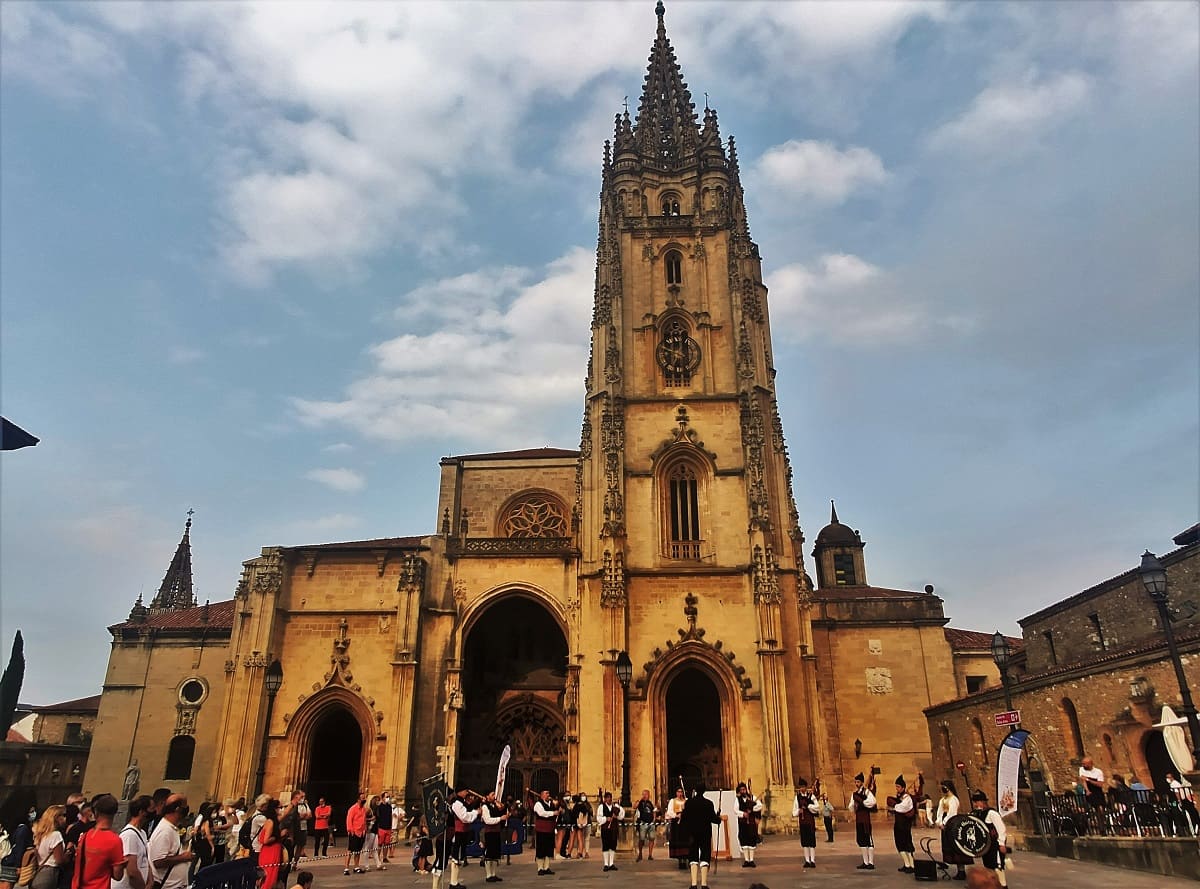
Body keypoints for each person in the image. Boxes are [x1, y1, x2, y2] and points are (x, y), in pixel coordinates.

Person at [72, 796, 125, 889]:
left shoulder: (85, 836)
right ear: (114, 813)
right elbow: (118, 876)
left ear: (96, 813)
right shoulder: (114, 840)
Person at [680, 781, 721, 889]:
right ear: (704, 791)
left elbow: (683, 818)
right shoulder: (708, 803)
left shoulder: (689, 803)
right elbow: (714, 819)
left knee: (693, 856)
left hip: (692, 833)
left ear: (695, 790)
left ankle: (693, 884)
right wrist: (718, 818)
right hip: (705, 833)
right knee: (705, 855)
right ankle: (704, 884)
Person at [147, 795, 192, 889]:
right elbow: (158, 861)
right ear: (178, 809)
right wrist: (183, 857)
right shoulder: (165, 830)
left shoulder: (171, 828)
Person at [968, 790, 1007, 888]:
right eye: (975, 802)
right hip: (986, 846)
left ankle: (1002, 885)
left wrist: (1002, 843)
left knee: (997, 867)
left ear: (983, 801)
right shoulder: (977, 813)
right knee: (988, 866)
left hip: (995, 845)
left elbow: (1001, 828)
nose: (976, 804)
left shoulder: (992, 813)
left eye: (977, 802)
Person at [113, 795, 153, 889]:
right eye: (151, 809)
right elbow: (131, 870)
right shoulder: (129, 835)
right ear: (142, 812)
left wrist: (150, 880)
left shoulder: (142, 833)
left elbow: (145, 860)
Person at [935, 780, 969, 880]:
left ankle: (961, 870)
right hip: (945, 825)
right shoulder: (943, 800)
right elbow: (940, 812)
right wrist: (939, 822)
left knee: (956, 847)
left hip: (953, 823)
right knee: (949, 847)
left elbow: (952, 813)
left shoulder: (953, 799)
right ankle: (957, 869)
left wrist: (945, 822)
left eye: (944, 787)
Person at [448, 788, 479, 889]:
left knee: (458, 857)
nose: (466, 793)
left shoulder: (462, 803)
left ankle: (455, 881)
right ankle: (453, 883)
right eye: (465, 791)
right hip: (458, 833)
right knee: (455, 857)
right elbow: (464, 817)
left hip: (462, 832)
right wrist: (476, 813)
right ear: (460, 792)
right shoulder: (457, 803)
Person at [30, 805, 65, 889]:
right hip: (50, 873)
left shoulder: (40, 834)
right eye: (63, 815)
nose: (64, 818)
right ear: (56, 818)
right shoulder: (56, 835)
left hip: (38, 870)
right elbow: (59, 860)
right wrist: (67, 856)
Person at [888, 775, 916, 874]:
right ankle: (906, 864)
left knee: (907, 843)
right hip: (898, 824)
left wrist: (894, 806)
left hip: (905, 825)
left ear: (903, 788)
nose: (897, 788)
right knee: (900, 843)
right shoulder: (900, 797)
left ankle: (912, 865)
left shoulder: (907, 797)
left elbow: (903, 807)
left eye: (899, 787)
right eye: (896, 787)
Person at [256, 799, 285, 889]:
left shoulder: (273, 820)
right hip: (270, 852)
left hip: (274, 851)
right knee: (269, 877)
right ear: (275, 809)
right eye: (280, 808)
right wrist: (278, 836)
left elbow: (284, 815)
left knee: (272, 876)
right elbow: (266, 840)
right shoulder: (270, 822)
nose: (281, 810)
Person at [849, 772, 876, 870]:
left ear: (862, 782)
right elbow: (851, 806)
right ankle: (865, 862)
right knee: (861, 840)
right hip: (859, 819)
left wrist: (862, 803)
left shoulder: (867, 792)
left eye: (858, 782)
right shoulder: (855, 794)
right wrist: (854, 806)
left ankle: (871, 862)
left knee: (868, 840)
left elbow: (873, 802)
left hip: (865, 819)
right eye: (855, 782)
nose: (857, 783)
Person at [791, 778, 819, 868]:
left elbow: (817, 808)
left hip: (810, 822)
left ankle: (812, 860)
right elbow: (794, 811)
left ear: (806, 787)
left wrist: (808, 806)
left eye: (803, 786)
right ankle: (807, 860)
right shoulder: (797, 797)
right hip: (803, 822)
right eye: (800, 787)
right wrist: (798, 811)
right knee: (805, 842)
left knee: (811, 842)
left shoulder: (811, 797)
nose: (802, 788)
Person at [480, 791, 506, 883]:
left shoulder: (494, 805)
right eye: (492, 795)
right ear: (487, 796)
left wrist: (502, 809)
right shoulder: (485, 806)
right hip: (489, 832)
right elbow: (487, 820)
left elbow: (503, 813)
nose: (494, 796)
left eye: (494, 794)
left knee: (495, 854)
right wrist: (500, 818)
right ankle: (488, 875)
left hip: (496, 831)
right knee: (489, 854)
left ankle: (493, 874)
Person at [734, 782, 763, 868]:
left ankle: (751, 860)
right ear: (739, 791)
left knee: (751, 839)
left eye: (744, 789)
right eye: (741, 790)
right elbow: (735, 810)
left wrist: (752, 809)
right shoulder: (737, 799)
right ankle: (746, 860)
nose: (743, 791)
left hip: (751, 823)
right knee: (744, 839)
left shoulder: (752, 797)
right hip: (742, 822)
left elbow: (760, 805)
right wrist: (743, 814)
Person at [532, 789, 557, 876]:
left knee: (549, 848)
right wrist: (553, 813)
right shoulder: (538, 804)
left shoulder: (551, 804)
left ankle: (547, 867)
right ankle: (540, 868)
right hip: (542, 829)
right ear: (541, 795)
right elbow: (542, 813)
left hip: (550, 829)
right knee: (541, 849)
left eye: (548, 793)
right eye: (546, 793)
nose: (548, 795)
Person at [596, 792, 622, 872]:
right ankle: (606, 864)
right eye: (607, 797)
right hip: (605, 829)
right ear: (605, 799)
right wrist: (606, 819)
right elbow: (598, 817)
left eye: (610, 797)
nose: (609, 799)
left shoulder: (615, 806)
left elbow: (621, 815)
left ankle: (611, 863)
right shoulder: (601, 807)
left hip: (613, 829)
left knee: (613, 845)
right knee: (606, 845)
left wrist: (617, 815)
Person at [343, 791, 368, 875]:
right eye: (362, 798)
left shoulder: (364, 809)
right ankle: (346, 868)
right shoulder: (353, 809)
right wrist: (350, 830)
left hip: (361, 832)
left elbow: (364, 821)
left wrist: (364, 830)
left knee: (358, 851)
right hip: (354, 832)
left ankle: (356, 867)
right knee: (350, 850)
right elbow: (349, 820)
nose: (364, 799)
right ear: (358, 799)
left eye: (364, 798)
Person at [664, 787, 688, 870]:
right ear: (676, 793)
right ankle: (680, 860)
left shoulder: (686, 801)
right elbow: (669, 811)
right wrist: (676, 815)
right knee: (678, 841)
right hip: (676, 824)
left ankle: (685, 859)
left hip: (684, 824)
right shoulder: (672, 801)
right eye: (678, 792)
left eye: (681, 792)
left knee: (685, 841)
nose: (680, 793)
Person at [633, 790, 656, 862]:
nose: (645, 796)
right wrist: (640, 800)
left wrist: (654, 820)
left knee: (652, 838)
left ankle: (650, 854)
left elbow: (654, 811)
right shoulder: (640, 803)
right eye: (644, 794)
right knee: (641, 839)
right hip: (643, 823)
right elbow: (634, 807)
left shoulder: (650, 803)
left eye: (646, 794)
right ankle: (640, 854)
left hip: (650, 823)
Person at [373, 794, 392, 866]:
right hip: (381, 827)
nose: (388, 798)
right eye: (386, 797)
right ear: (383, 798)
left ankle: (385, 857)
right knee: (380, 844)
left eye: (388, 797)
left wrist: (391, 826)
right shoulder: (379, 807)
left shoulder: (389, 807)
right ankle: (377, 857)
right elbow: (377, 817)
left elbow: (390, 816)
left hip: (388, 827)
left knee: (387, 844)